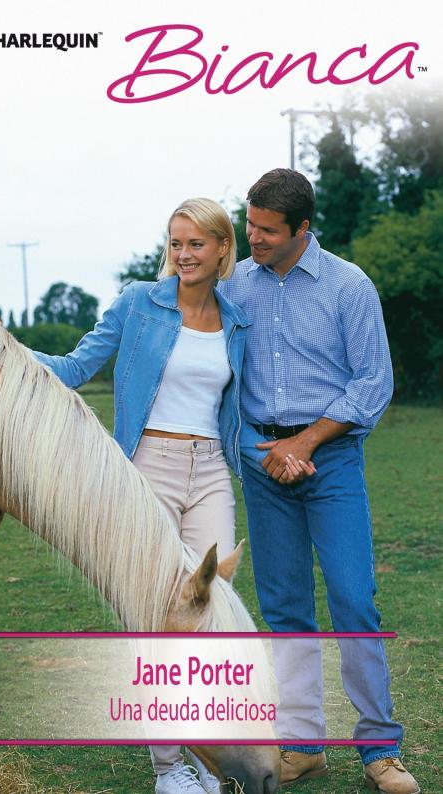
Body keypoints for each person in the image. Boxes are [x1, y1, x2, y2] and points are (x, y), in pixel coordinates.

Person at [32, 197, 255, 794]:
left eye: (196, 244)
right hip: (146, 468)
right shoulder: (139, 302)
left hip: (209, 470)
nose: (183, 255)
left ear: (222, 249)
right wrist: (1, 352)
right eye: (175, 243)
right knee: (159, 617)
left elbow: (241, 409)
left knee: (210, 613)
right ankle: (168, 768)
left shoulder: (236, 320)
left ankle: (207, 758)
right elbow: (77, 367)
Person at [217, 169, 420, 794]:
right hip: (261, 457)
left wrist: (304, 444)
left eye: (266, 231)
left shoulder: (349, 285)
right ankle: (303, 746)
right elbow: (224, 375)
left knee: (353, 599)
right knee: (284, 610)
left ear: (303, 229)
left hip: (329, 459)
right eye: (248, 224)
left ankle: (379, 749)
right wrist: (264, 449)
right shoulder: (236, 286)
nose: (252, 238)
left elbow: (372, 383)